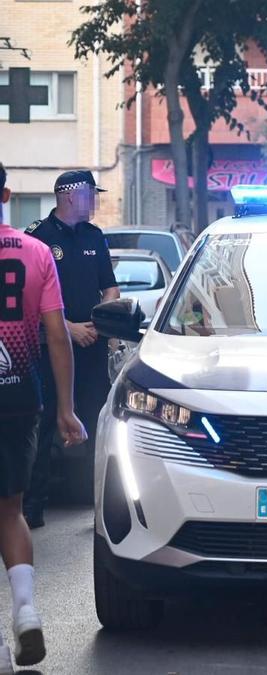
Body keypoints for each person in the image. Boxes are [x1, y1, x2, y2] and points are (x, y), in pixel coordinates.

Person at [0, 161, 88, 670]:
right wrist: (67, 410)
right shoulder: (35, 252)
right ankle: (27, 609)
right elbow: (58, 336)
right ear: (6, 192)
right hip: (18, 398)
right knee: (8, 510)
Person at [24, 170, 118, 527]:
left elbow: (109, 287)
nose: (94, 201)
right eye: (91, 194)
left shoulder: (96, 236)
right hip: (49, 348)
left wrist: (99, 318)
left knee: (97, 419)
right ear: (70, 195)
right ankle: (33, 504)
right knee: (46, 421)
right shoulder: (39, 238)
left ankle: (96, 504)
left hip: (91, 347)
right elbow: (29, 301)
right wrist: (68, 329)